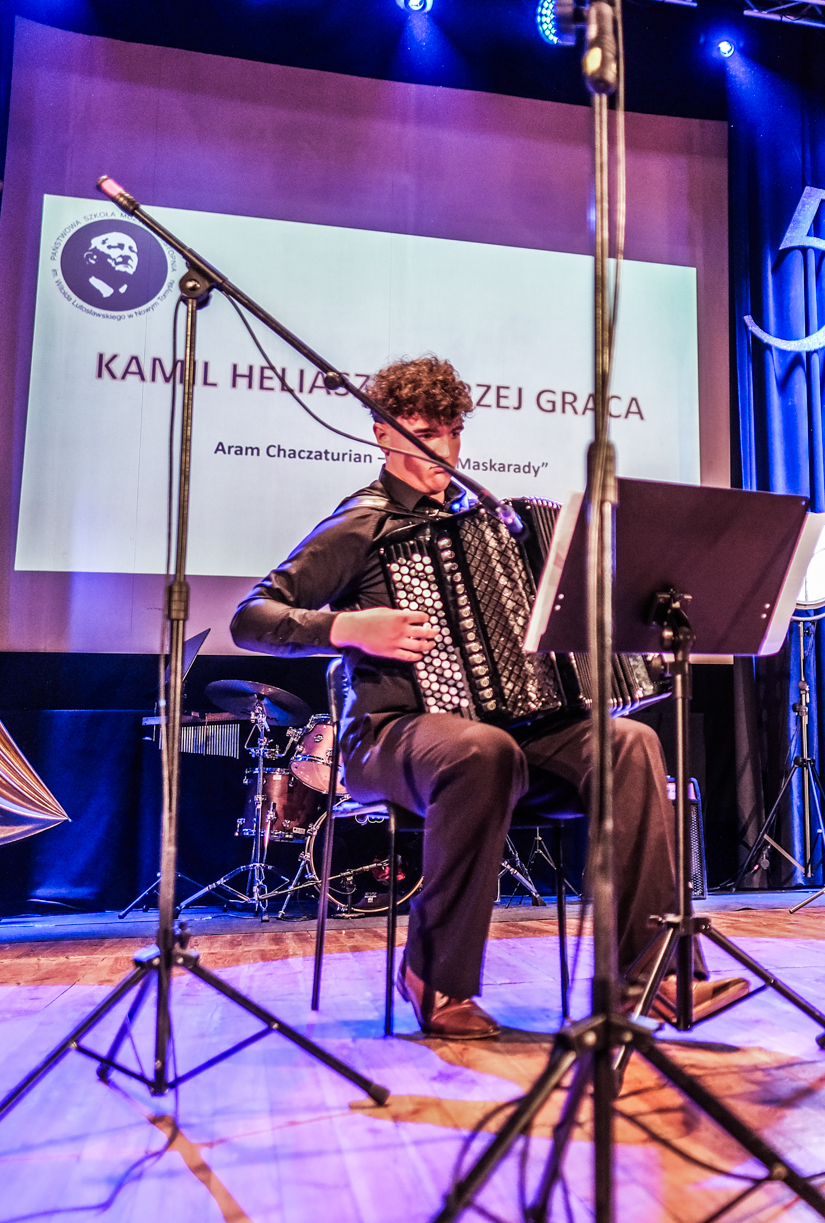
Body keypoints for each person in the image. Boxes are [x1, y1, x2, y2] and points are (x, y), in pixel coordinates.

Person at [232, 355, 745, 1039]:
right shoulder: (363, 524)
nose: (442, 450)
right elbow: (252, 617)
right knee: (482, 749)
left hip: (505, 738)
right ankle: (434, 974)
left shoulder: (492, 522)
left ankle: (653, 975)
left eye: (452, 432)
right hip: (390, 735)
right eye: (424, 433)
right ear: (383, 434)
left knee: (628, 742)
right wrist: (346, 628)